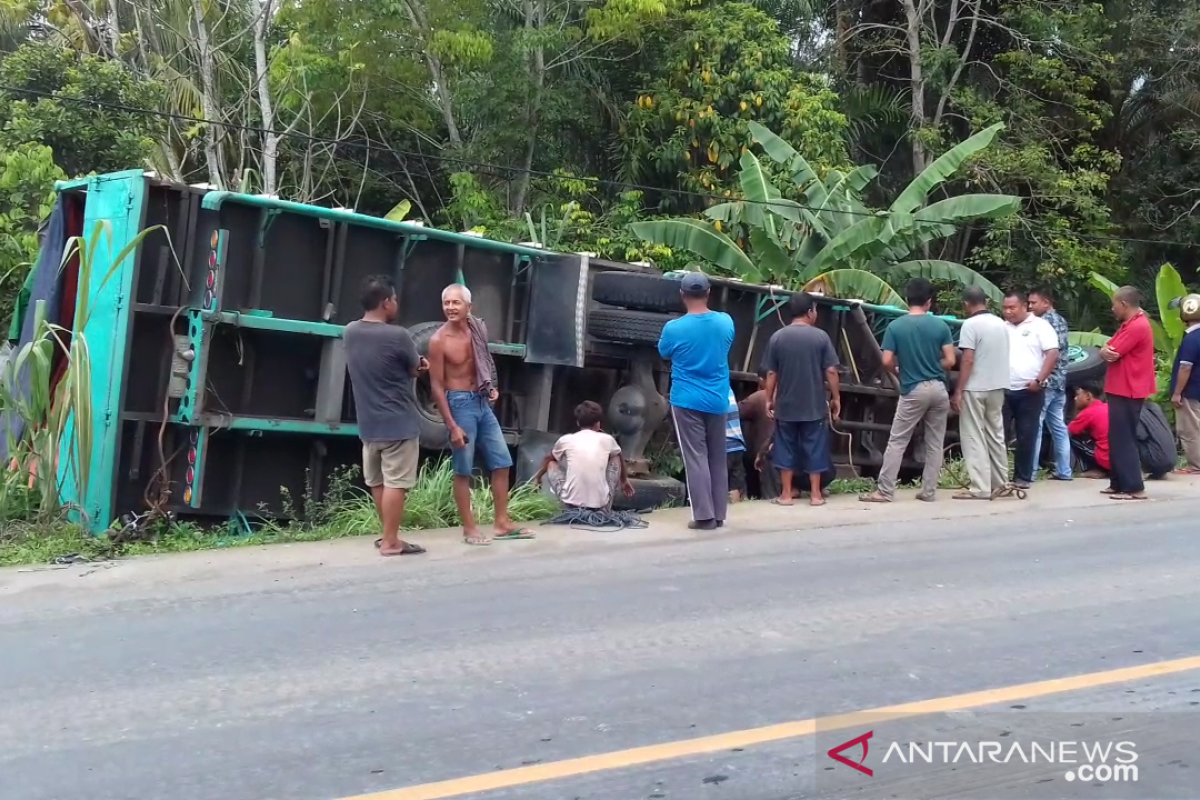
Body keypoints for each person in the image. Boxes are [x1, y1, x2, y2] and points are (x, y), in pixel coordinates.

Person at [429, 283, 536, 544]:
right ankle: (469, 529)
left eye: (456, 303)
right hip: (459, 404)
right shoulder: (439, 340)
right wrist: (452, 425)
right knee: (463, 469)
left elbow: (484, 361)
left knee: (502, 462)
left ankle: (501, 523)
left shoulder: (477, 328)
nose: (451, 308)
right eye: (447, 303)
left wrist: (491, 387)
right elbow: (436, 385)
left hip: (481, 402)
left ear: (469, 307)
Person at [343, 275, 427, 557]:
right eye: (394, 299)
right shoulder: (398, 335)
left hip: (368, 425)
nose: (396, 304)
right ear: (386, 302)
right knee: (396, 483)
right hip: (398, 424)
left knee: (378, 482)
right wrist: (421, 366)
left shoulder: (350, 331)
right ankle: (391, 542)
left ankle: (387, 535)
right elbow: (416, 368)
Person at [861, 279, 955, 503]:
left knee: (897, 440)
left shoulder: (896, 326)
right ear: (929, 302)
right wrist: (933, 365)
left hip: (913, 389)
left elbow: (885, 360)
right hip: (939, 389)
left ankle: (885, 491)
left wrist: (898, 370)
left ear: (907, 299)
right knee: (935, 442)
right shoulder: (940, 326)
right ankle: (929, 491)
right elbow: (950, 360)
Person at [657, 272, 735, 530]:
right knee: (717, 457)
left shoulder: (674, 328)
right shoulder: (725, 322)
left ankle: (704, 516)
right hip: (717, 399)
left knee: (696, 457)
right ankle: (719, 513)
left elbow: (664, 352)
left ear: (682, 295)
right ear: (708, 292)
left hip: (687, 400)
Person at [762, 291, 840, 507]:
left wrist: (768, 398)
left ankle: (786, 494)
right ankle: (816, 495)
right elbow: (831, 371)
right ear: (809, 312)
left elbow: (771, 373)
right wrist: (836, 398)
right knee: (815, 447)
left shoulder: (778, 337)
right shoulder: (821, 337)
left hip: (786, 405)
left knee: (785, 447)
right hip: (814, 405)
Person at [951, 286, 1010, 500]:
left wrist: (958, 390)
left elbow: (967, 358)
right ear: (985, 301)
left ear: (966, 304)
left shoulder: (970, 324)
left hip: (975, 387)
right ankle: (1001, 483)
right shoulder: (1001, 324)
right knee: (996, 435)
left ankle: (980, 487)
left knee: (973, 435)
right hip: (998, 387)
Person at [1099, 286, 1157, 500]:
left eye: (1114, 304)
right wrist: (1105, 351)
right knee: (1116, 437)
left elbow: (1112, 351)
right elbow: (1107, 348)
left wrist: (1105, 351)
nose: (1112, 308)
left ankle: (1133, 487)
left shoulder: (1137, 326)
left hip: (1128, 388)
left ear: (1124, 304)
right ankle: (1118, 483)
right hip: (1120, 387)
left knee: (1124, 438)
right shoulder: (1129, 324)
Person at [1001, 290, 1059, 489]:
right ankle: (999, 476)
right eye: (1005, 308)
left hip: (1030, 391)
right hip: (1004, 389)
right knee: (1000, 434)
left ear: (1024, 306)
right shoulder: (1002, 327)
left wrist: (1039, 379)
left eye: (1012, 308)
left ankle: (1022, 478)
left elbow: (1052, 353)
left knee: (1027, 435)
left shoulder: (1041, 326)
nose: (1008, 312)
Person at [533, 401, 634, 511]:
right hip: (601, 507)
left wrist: (537, 479)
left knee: (551, 463)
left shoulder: (566, 440)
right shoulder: (608, 439)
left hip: (570, 506)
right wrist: (624, 480)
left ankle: (567, 504)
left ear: (578, 423)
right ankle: (604, 508)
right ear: (598, 423)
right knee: (616, 457)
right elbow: (619, 455)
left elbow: (548, 459)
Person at [1028, 287, 1073, 480]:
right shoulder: (1060, 320)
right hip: (1060, 381)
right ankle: (1065, 470)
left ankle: (1030, 472)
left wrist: (1039, 378)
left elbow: (1048, 354)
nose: (1030, 306)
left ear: (1046, 303)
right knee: (1058, 427)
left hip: (1045, 381)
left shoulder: (1042, 323)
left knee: (1035, 426)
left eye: (1033, 303)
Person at [1170, 293, 1200, 474]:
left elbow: (1185, 368)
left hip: (1190, 390)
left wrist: (1177, 392)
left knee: (1189, 428)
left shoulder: (1191, 338)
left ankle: (1196, 465)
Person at [738, 369, 778, 499]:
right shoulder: (792, 396)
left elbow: (735, 411)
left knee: (767, 494)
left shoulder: (760, 397)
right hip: (789, 454)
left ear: (761, 380)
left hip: (765, 454)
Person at [1067, 383, 1110, 478]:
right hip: (1119, 456)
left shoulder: (1088, 412)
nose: (1075, 399)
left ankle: (1094, 469)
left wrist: (1076, 411)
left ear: (1088, 396)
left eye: (1078, 395)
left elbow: (1068, 431)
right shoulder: (1107, 407)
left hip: (1105, 457)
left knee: (1070, 438)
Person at [725, 387, 748, 503]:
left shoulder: (713, 390)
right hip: (737, 444)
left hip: (724, 446)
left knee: (719, 484)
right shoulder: (729, 390)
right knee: (735, 486)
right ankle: (736, 509)